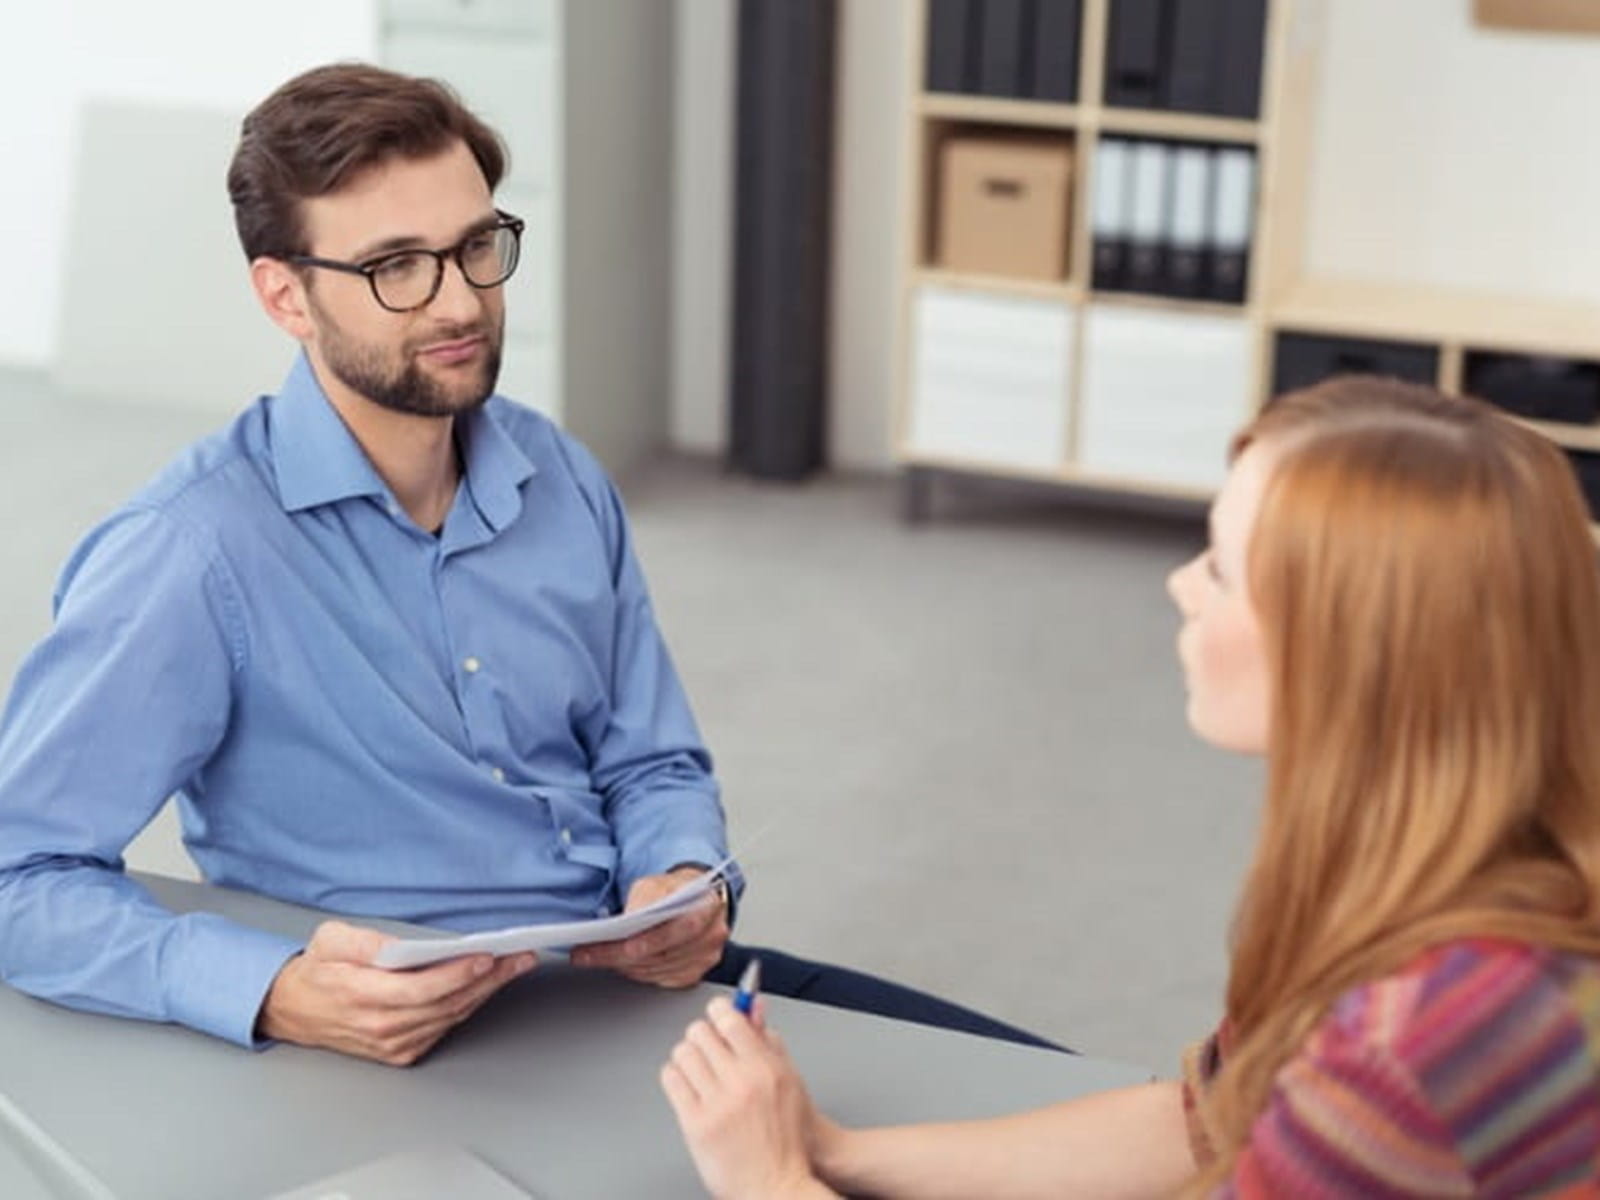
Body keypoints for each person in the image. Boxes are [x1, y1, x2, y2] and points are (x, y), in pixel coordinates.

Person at [0, 62, 1046, 1068]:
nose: (459, 303)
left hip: (628, 988)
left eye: (475, 248)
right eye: (395, 266)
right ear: (284, 297)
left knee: (1103, 1109)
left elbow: (650, 762)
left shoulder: (558, 474)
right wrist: (268, 989)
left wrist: (674, 877)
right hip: (407, 1053)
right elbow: (18, 875)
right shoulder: (190, 552)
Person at [661, 377, 1600, 1197]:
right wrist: (837, 1151)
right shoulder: (1445, 874)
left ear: (1349, 658)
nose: (1180, 585)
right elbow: (1204, 1121)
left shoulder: (1417, 1042)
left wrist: (772, 1183)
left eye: (1223, 571)